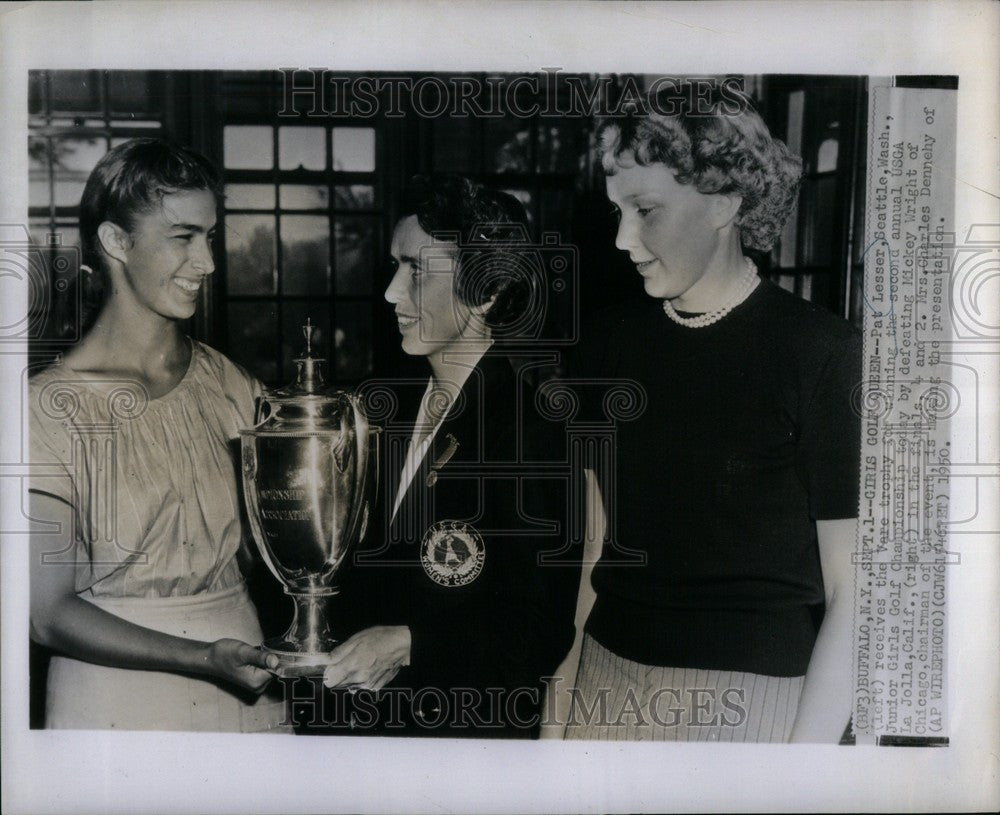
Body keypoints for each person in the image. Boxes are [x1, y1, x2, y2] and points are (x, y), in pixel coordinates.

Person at [564, 85, 861, 742]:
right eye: (617, 211)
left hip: (753, 706)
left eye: (645, 211)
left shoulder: (822, 354)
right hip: (605, 681)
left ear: (726, 201)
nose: (622, 238)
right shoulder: (604, 345)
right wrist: (557, 723)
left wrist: (802, 775)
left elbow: (855, 594)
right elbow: (592, 551)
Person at [305, 175, 579, 737]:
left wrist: (411, 644)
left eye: (416, 271)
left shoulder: (528, 423)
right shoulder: (386, 407)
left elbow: (540, 630)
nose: (390, 292)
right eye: (394, 267)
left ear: (487, 290)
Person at [28, 138, 286, 732]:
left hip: (248, 677)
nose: (209, 263)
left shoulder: (230, 384)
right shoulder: (44, 409)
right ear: (117, 242)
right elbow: (45, 614)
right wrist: (202, 658)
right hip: (117, 699)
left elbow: (270, 551)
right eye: (182, 238)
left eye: (211, 237)